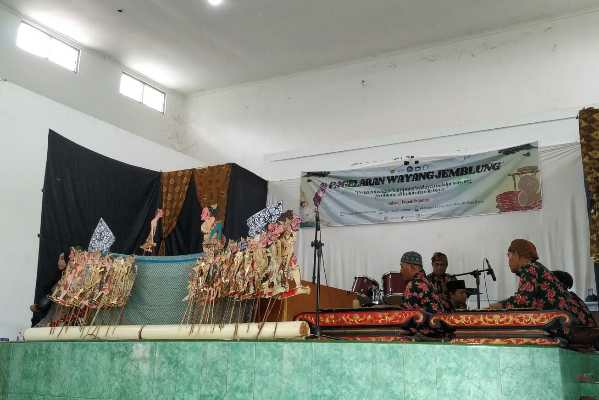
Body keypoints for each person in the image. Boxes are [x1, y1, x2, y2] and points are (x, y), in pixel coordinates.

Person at [489, 239, 594, 327]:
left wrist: (498, 306)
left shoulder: (530, 269)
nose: (508, 260)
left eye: (509, 255)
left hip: (570, 325)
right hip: (577, 321)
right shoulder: (537, 268)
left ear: (517, 254)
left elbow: (524, 300)